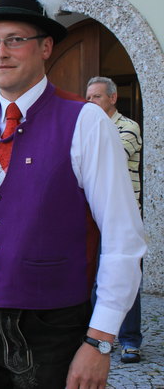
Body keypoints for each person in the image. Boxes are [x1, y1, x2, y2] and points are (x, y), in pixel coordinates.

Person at [0, 0, 147, 389]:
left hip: (52, 328)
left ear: (45, 46)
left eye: (14, 40)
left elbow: (123, 238)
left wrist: (99, 341)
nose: (0, 53)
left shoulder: (85, 122)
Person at [86, 76, 143, 364]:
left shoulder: (127, 128)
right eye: (88, 97)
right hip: (90, 216)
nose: (91, 102)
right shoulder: (87, 130)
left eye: (96, 97)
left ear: (112, 98)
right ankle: (95, 336)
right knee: (94, 278)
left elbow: (111, 158)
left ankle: (131, 341)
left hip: (121, 216)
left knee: (123, 274)